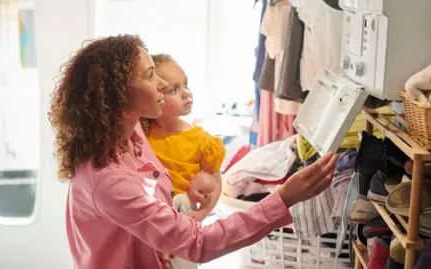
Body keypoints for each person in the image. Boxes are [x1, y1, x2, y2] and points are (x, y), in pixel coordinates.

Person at [48, 34, 339, 269]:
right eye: (150, 75)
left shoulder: (131, 133)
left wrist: (163, 234)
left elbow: (147, 205)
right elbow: (198, 243)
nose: (161, 84)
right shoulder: (108, 179)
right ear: (119, 93)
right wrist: (284, 198)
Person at [140, 53, 225, 223]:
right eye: (173, 90)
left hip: (182, 218)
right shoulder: (141, 133)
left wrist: (204, 212)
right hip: (150, 217)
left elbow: (215, 181)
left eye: (186, 84)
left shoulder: (203, 141)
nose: (186, 93)